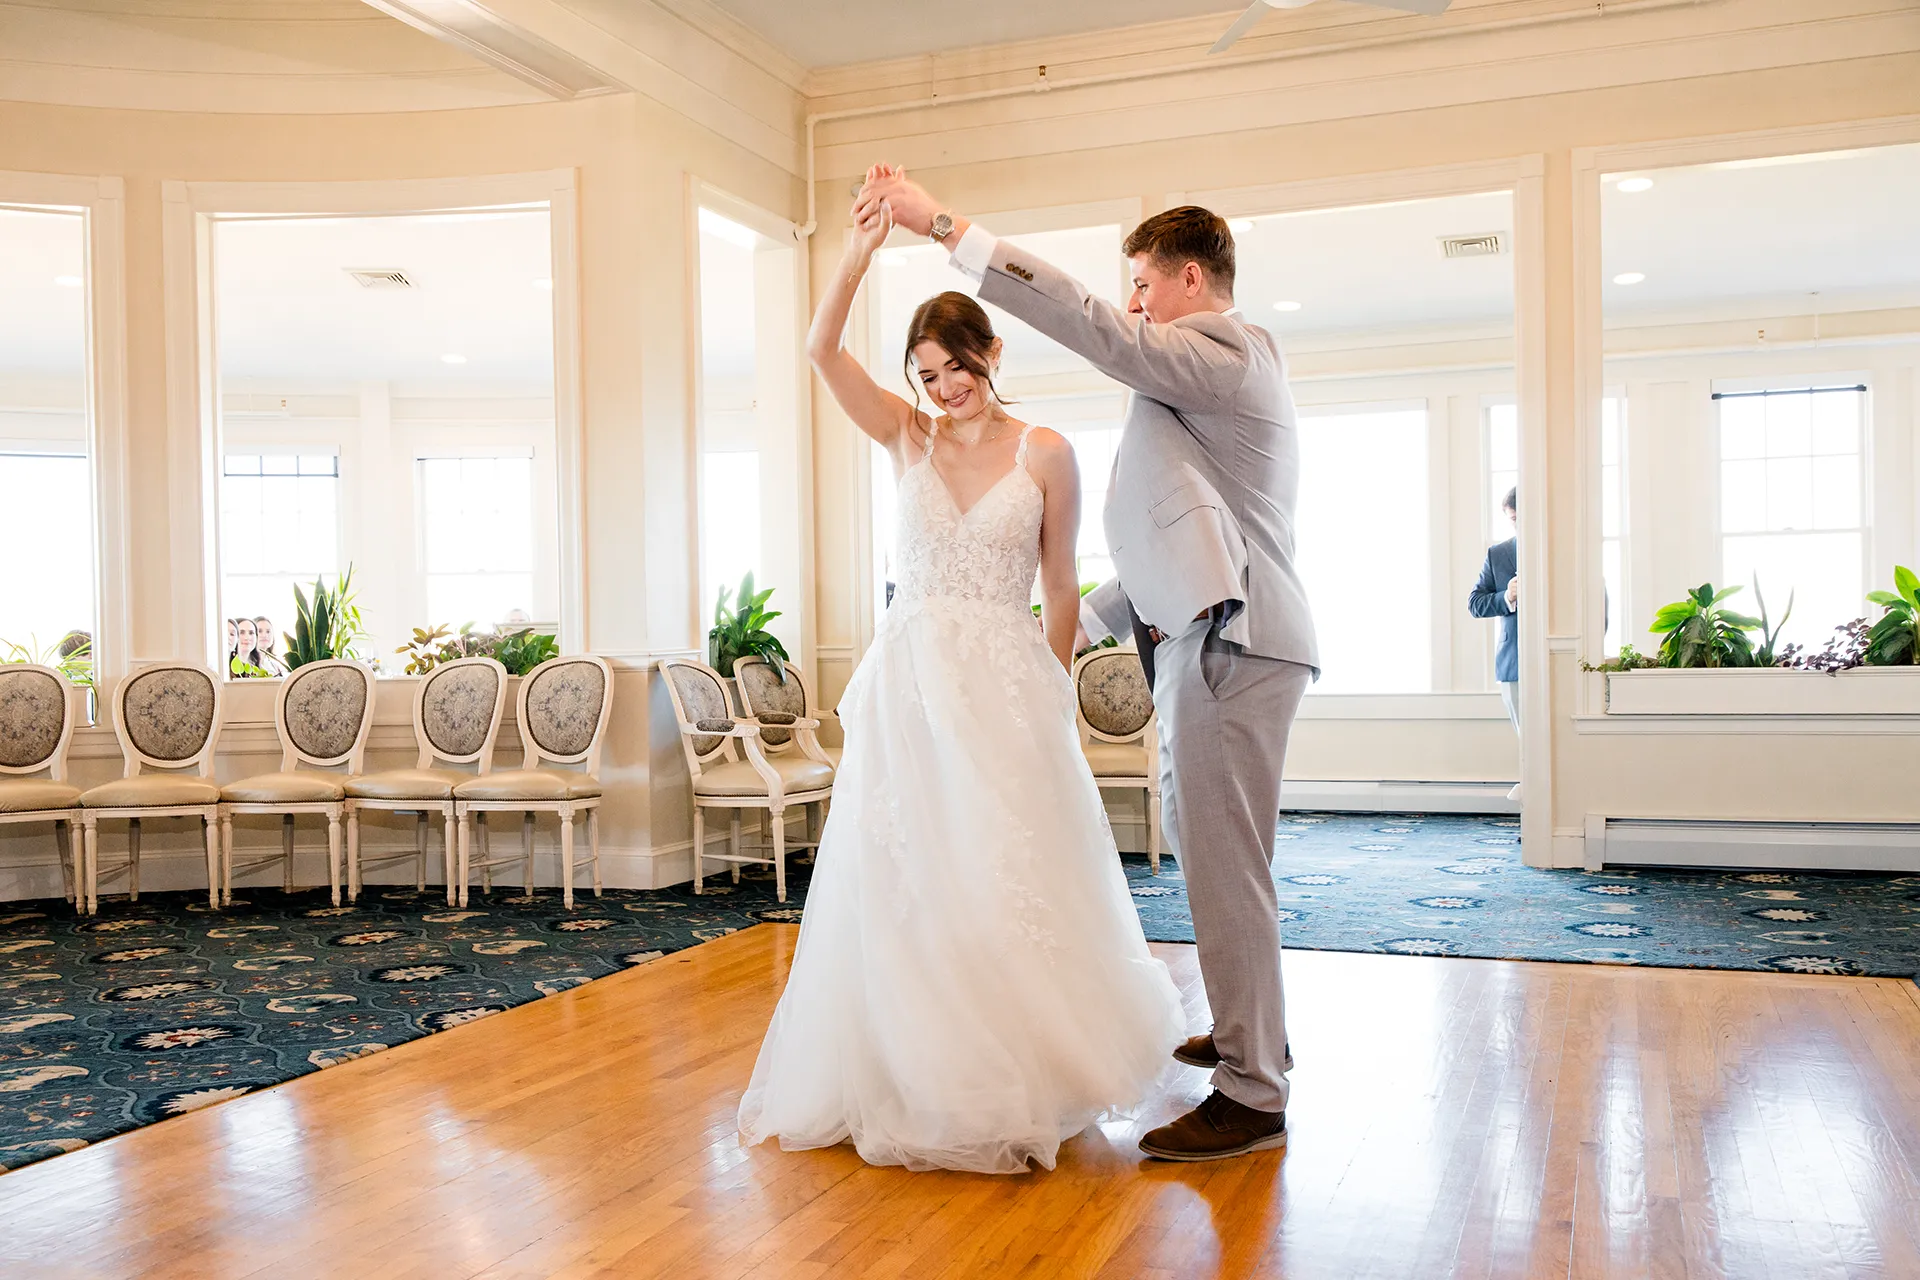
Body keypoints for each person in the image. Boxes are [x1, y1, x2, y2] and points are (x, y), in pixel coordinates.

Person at [860, 170, 1319, 1162]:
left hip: (1231, 640)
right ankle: (1251, 1035)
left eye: (1144, 285)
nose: (1135, 305)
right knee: (1219, 858)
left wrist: (943, 224)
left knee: (1226, 866)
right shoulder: (1219, 370)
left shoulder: (1219, 348)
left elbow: (1093, 326)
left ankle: (1252, 1091)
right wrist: (1055, 621)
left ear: (1189, 278)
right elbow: (1180, 536)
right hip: (1216, 631)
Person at [736, 171, 1184, 1175]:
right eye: (928, 371)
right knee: (911, 875)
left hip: (1003, 681)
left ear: (990, 353)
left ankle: (1020, 1068)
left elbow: (1061, 585)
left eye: (957, 366)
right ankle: (909, 1067)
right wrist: (857, 253)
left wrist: (1052, 686)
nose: (945, 387)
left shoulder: (1048, 451)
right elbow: (817, 352)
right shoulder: (906, 434)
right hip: (909, 683)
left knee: (999, 866)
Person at [1469, 488, 1521, 802]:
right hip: (1513, 661)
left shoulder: (1564, 546)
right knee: (1527, 743)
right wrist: (1506, 597)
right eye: (1513, 520)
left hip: (1560, 660)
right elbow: (1475, 604)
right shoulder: (1498, 554)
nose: (1518, 526)